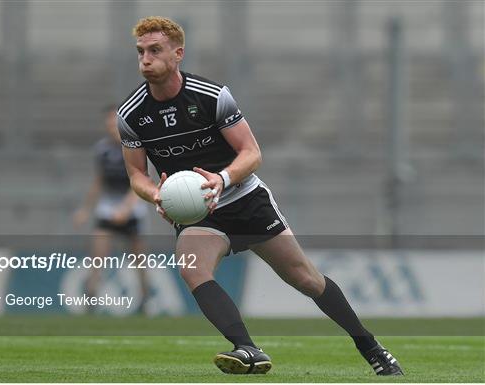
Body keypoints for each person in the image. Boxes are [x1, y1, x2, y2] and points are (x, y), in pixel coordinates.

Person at [117, 16, 403, 376]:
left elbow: (251, 153)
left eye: (155, 50)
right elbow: (136, 175)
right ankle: (247, 348)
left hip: (244, 199)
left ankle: (370, 346)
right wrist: (156, 194)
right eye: (141, 51)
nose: (145, 59)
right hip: (199, 213)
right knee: (192, 270)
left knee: (306, 279)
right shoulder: (130, 114)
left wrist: (222, 179)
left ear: (178, 54)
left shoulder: (211, 96)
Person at [74, 105, 150, 313]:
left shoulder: (136, 147)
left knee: (138, 257)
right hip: (108, 208)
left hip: (132, 209)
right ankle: (91, 297)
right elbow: (99, 181)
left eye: (115, 122)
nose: (111, 126)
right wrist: (85, 209)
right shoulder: (102, 149)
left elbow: (141, 181)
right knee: (98, 254)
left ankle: (145, 298)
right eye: (108, 122)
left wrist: (126, 209)